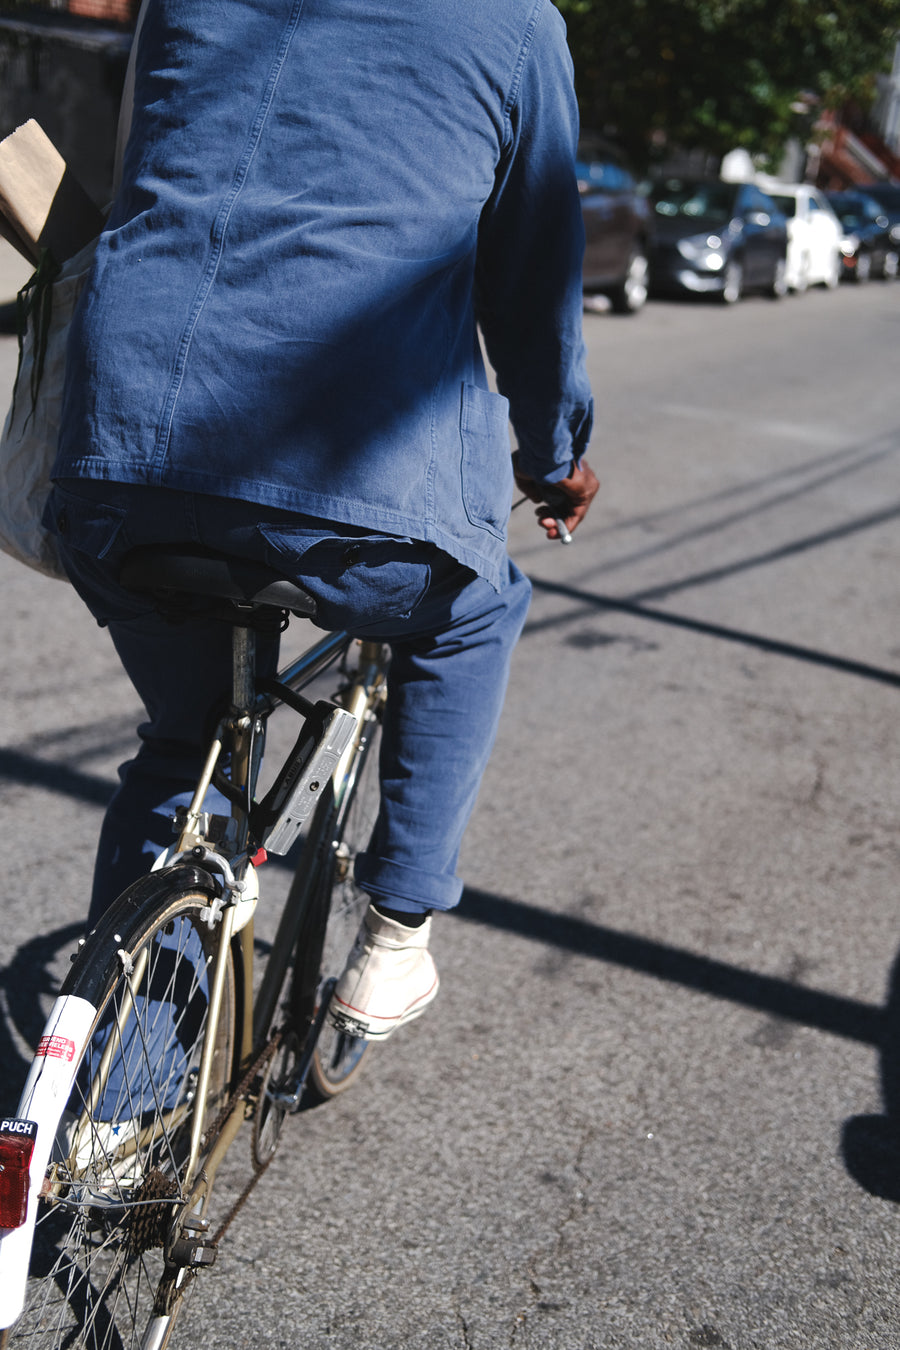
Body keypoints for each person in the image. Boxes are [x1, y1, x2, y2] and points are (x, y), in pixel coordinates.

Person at [45, 0, 597, 1041]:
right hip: (360, 486)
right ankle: (397, 930)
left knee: (186, 748)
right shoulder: (515, 23)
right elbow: (536, 281)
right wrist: (554, 457)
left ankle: (118, 1124)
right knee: (476, 608)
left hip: (124, 453)